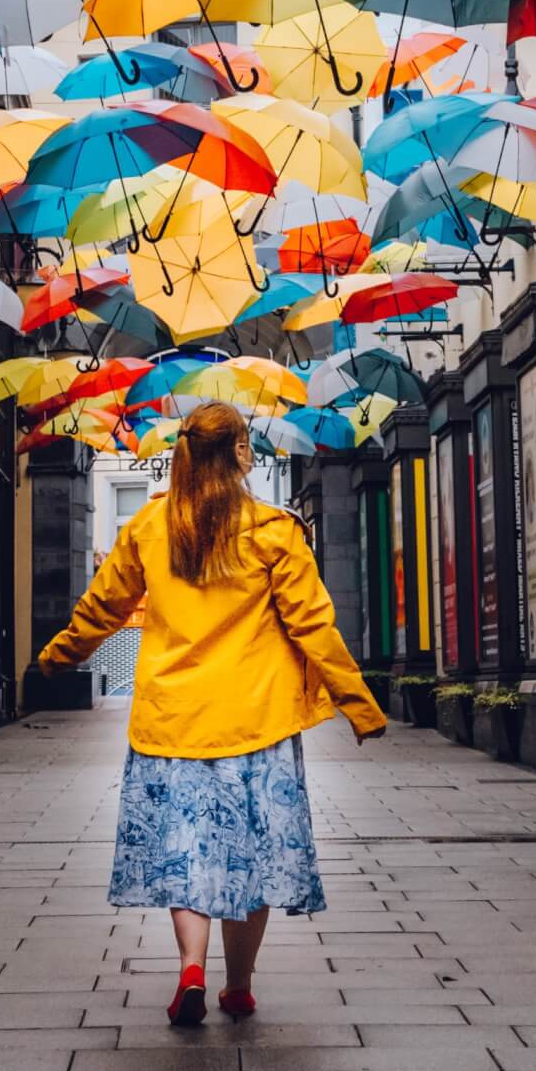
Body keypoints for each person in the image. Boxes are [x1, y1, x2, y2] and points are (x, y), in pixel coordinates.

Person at [39, 401, 387, 1028]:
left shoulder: (148, 526)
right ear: (241, 456)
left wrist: (57, 655)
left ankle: (190, 968)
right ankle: (240, 986)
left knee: (185, 850)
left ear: (183, 456)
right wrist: (358, 704)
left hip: (172, 722)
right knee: (246, 856)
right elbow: (314, 622)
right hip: (257, 725)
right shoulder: (274, 532)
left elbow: (102, 607)